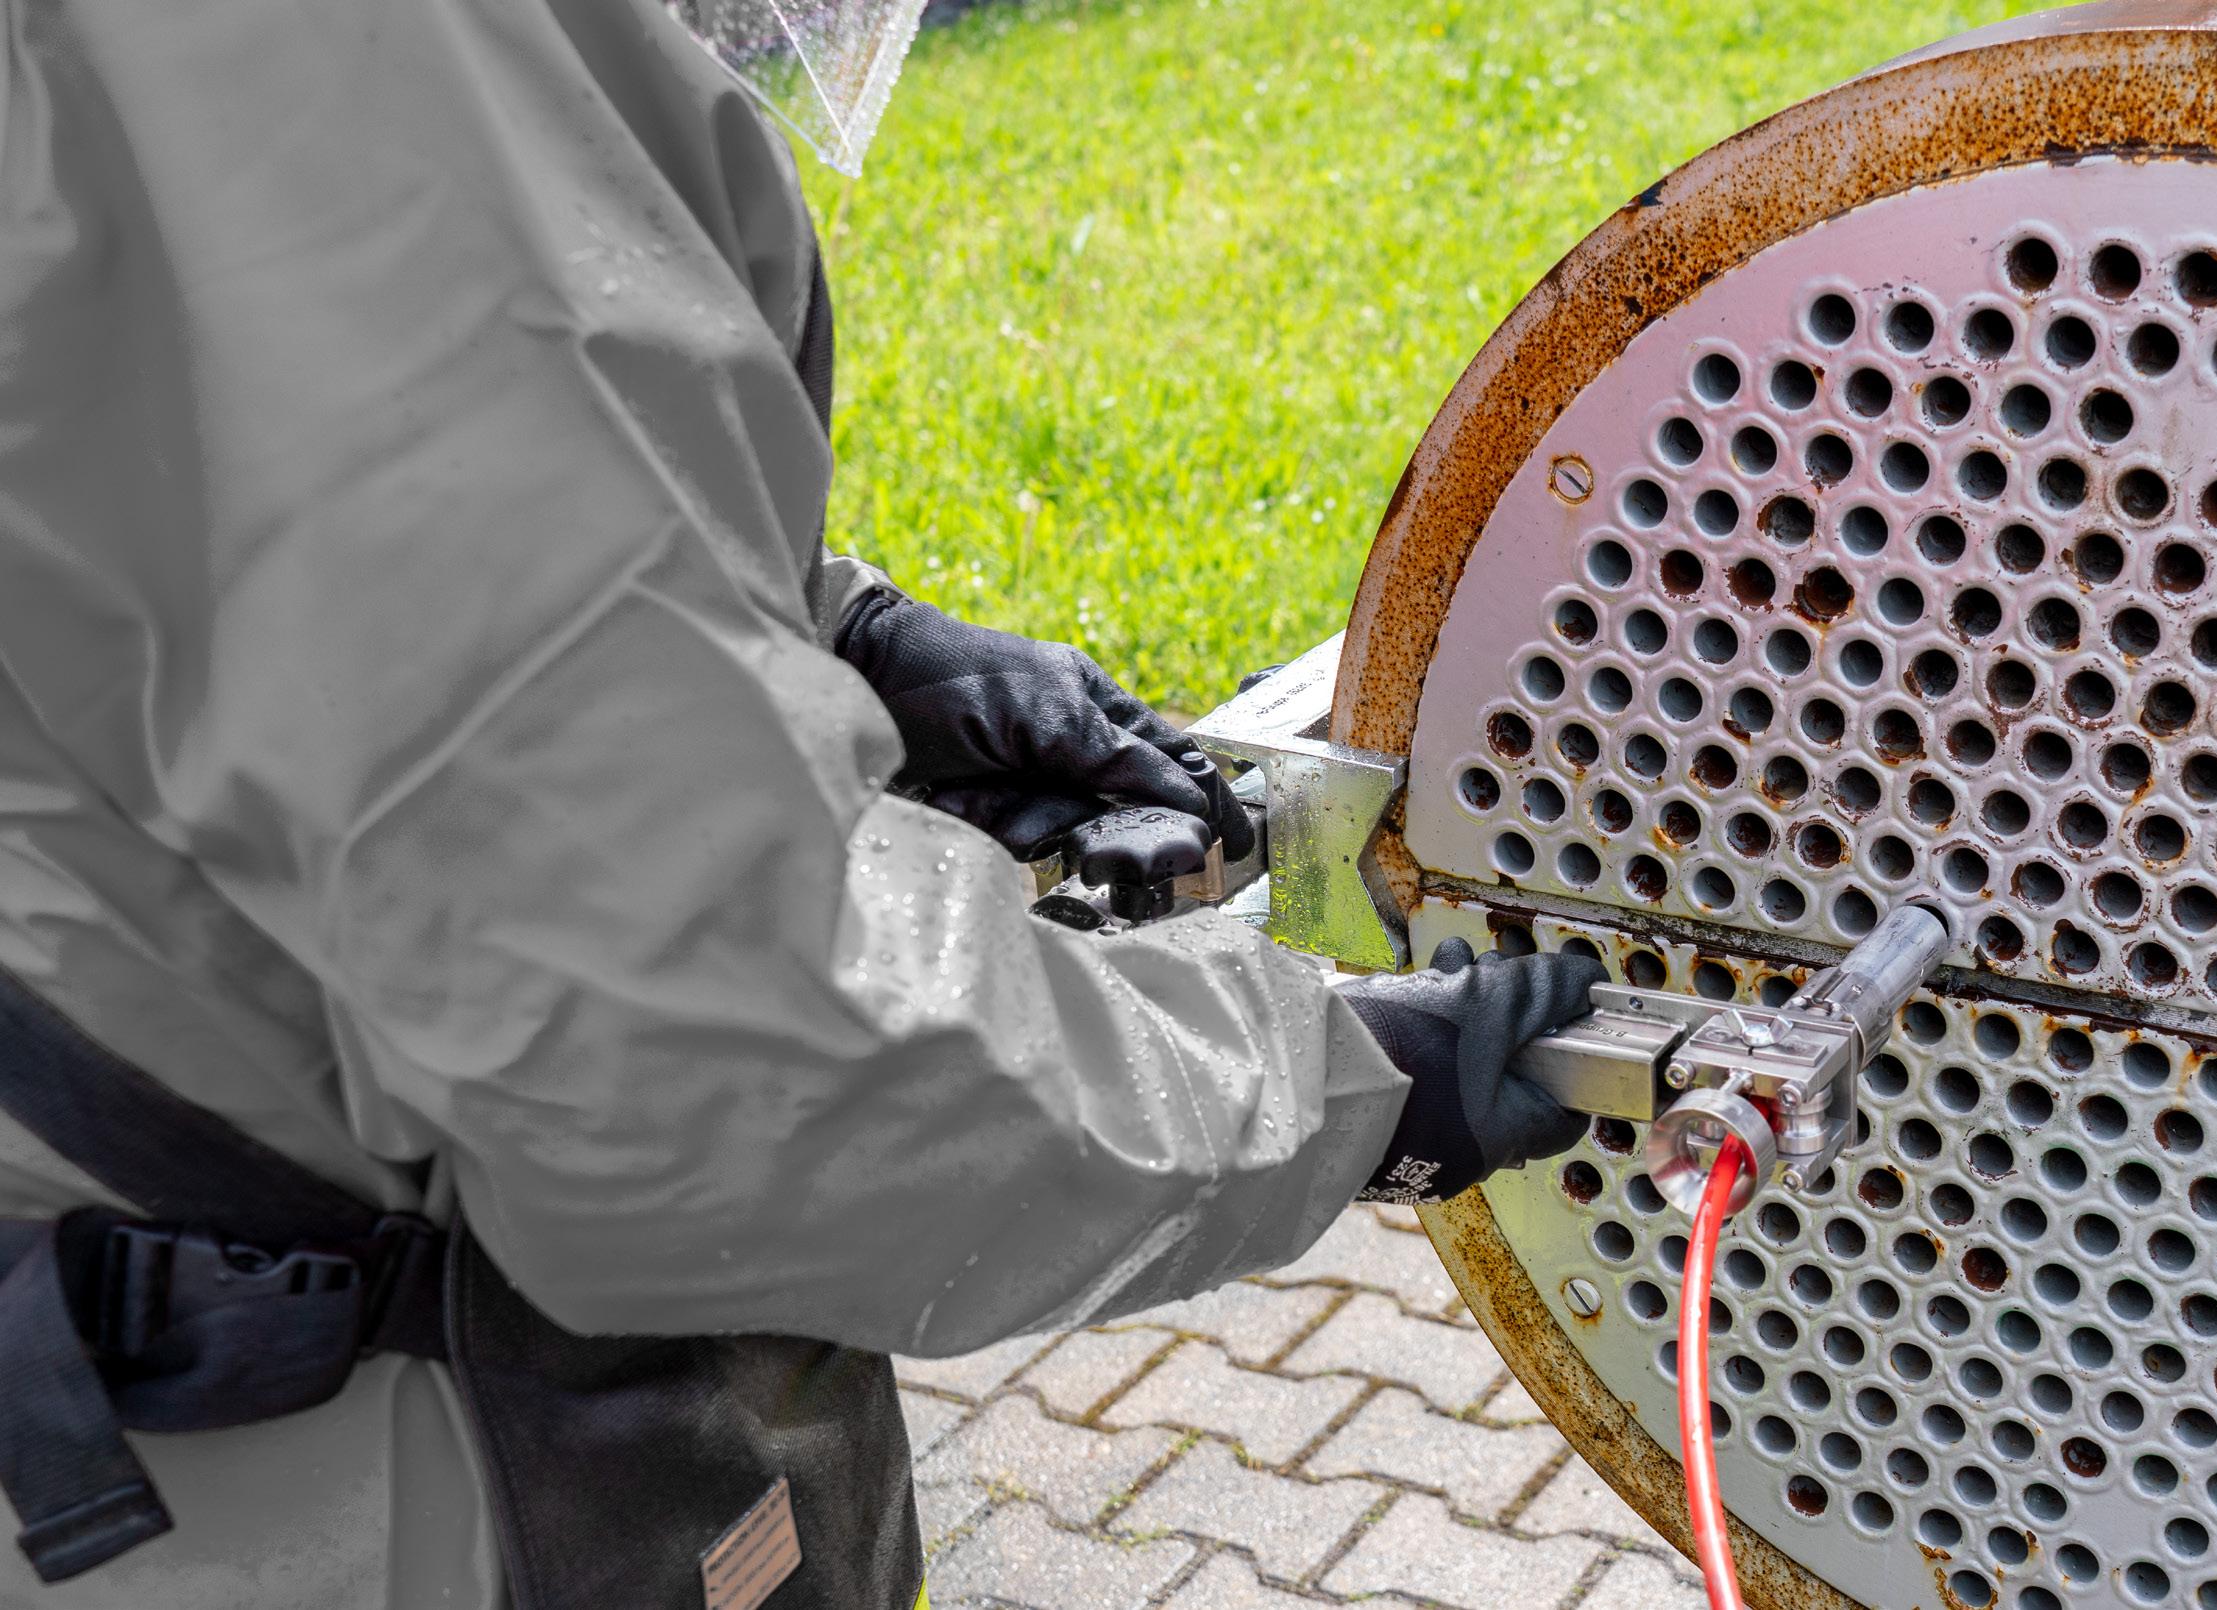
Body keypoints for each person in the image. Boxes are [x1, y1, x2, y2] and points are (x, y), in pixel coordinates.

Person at [0, 1, 1596, 1605]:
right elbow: (716, 1058)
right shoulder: (338, 53)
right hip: (345, 1485)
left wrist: (820, 640)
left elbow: (257, 528)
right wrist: (1329, 1084)